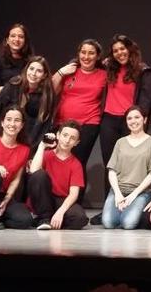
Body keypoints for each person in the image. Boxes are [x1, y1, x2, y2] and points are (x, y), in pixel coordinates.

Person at [98, 34, 146, 218]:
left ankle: (130, 207)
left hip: (130, 122)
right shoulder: (108, 68)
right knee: (110, 166)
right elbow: (82, 61)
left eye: (122, 49)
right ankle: (107, 207)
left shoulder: (140, 70)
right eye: (116, 51)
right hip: (109, 121)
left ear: (130, 49)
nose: (120, 53)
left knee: (131, 166)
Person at [52, 39, 108, 190]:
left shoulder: (104, 75)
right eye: (83, 52)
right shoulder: (70, 70)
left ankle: (75, 200)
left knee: (77, 161)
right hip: (62, 122)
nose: (86, 56)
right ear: (78, 54)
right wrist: (61, 72)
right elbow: (50, 91)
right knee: (58, 159)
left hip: (88, 122)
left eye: (91, 53)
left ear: (97, 56)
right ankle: (58, 195)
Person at [102, 106, 151, 230]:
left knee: (128, 224)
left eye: (137, 117)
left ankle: (131, 212)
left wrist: (133, 195)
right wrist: (117, 194)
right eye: (129, 118)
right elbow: (112, 170)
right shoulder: (120, 142)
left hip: (140, 192)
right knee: (108, 223)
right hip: (119, 190)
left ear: (144, 120)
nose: (133, 121)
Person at [25, 120, 89, 230]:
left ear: (77, 142)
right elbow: (34, 171)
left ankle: (50, 220)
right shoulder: (46, 155)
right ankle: (45, 218)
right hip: (43, 197)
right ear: (58, 135)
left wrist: (60, 212)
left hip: (59, 201)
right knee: (40, 175)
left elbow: (74, 194)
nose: (67, 140)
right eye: (65, 135)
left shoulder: (76, 164)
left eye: (72, 138)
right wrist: (42, 146)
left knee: (80, 218)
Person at [0, 56, 55, 148]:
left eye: (39, 71)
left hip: (28, 140)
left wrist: (32, 148)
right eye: (31, 69)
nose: (33, 73)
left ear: (44, 75)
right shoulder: (14, 84)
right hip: (4, 133)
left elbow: (44, 125)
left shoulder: (48, 93)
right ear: (26, 70)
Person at [0, 24, 33, 99]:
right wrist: (13, 87)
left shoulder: (31, 62)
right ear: (7, 40)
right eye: (13, 36)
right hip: (4, 104)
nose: (17, 39)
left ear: (25, 41)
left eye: (21, 37)